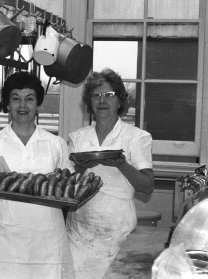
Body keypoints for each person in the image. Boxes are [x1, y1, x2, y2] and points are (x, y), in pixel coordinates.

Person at [0, 71, 75, 279]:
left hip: (49, 241)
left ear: (38, 103)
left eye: (29, 99)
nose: (22, 106)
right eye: (16, 98)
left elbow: (68, 191)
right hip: (5, 243)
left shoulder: (56, 144)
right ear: (7, 103)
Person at [66, 68, 154, 279]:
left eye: (109, 95)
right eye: (96, 95)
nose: (102, 100)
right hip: (79, 235)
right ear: (89, 102)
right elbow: (66, 187)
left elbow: (147, 186)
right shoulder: (77, 138)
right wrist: (79, 168)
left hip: (118, 235)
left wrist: (121, 164)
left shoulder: (136, 137)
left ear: (120, 101)